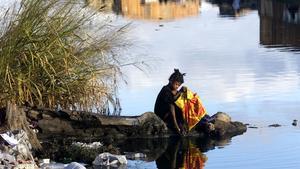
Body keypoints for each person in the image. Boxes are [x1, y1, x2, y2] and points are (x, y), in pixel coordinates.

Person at [154, 69, 187, 135]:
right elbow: (172, 101)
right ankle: (176, 125)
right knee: (172, 105)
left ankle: (182, 124)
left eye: (179, 85)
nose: (177, 87)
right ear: (170, 80)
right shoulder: (165, 90)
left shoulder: (175, 91)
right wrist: (180, 92)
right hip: (161, 114)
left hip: (169, 114)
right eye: (176, 84)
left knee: (182, 105)